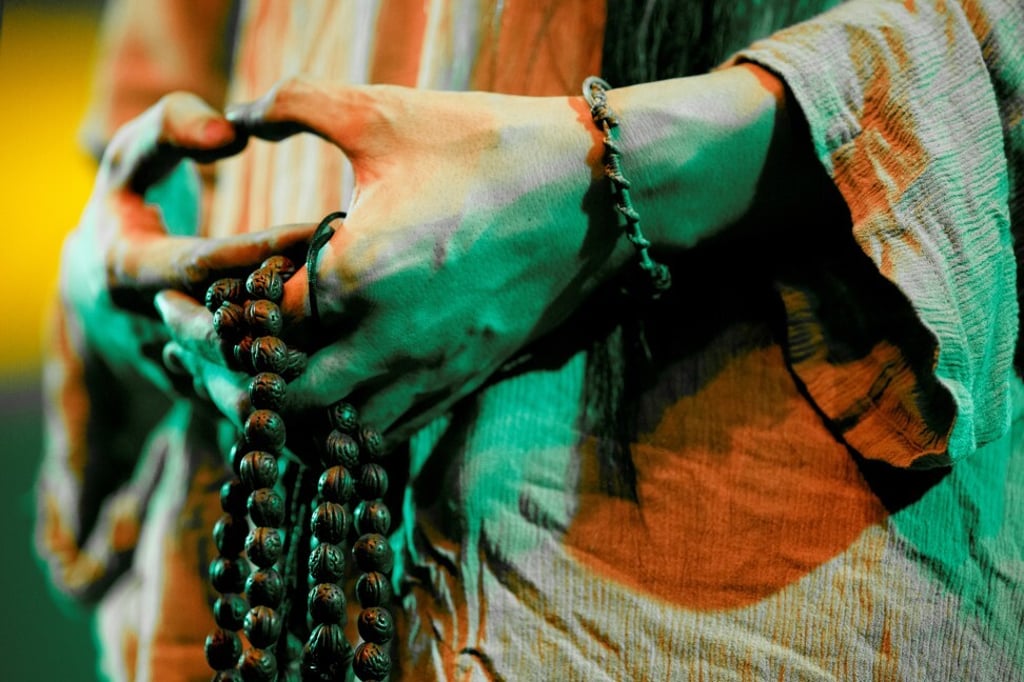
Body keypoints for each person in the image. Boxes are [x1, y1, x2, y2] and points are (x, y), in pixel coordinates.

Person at [37, 0, 1024, 679]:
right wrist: (119, 283)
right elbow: (157, 115)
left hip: (713, 586)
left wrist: (613, 180)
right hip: (260, 557)